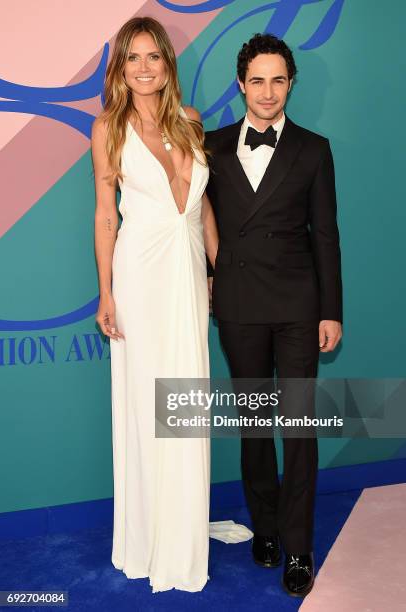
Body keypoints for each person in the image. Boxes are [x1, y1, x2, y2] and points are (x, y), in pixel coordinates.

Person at [205, 33, 343, 597]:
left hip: (296, 304)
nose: (267, 91)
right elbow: (195, 225)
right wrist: (207, 279)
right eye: (257, 80)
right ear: (241, 85)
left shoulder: (313, 149)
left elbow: (326, 237)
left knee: (298, 427)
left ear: (290, 84)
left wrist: (331, 310)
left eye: (278, 79)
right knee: (256, 424)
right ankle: (264, 527)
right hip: (238, 303)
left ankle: (299, 546)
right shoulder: (208, 145)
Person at [91, 16, 219, 593]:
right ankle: (147, 538)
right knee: (148, 402)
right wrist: (106, 291)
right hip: (139, 277)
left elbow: (203, 206)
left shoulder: (191, 122)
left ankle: (183, 534)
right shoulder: (107, 129)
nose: (143, 68)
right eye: (132, 58)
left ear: (168, 63)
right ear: (120, 68)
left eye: (154, 57)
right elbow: (105, 215)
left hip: (188, 273)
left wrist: (221, 269)